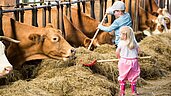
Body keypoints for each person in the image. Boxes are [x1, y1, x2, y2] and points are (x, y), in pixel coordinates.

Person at [115, 26, 140, 96]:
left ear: (124, 35)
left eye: (120, 34)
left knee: (122, 77)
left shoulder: (121, 43)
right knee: (133, 77)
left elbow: (117, 52)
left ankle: (122, 92)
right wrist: (137, 55)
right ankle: (133, 92)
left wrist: (119, 57)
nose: (120, 35)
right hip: (133, 61)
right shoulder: (134, 42)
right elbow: (139, 50)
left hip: (123, 61)